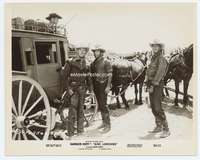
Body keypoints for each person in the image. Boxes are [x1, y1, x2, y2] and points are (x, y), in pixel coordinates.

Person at [61, 45, 93, 138]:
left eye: (84, 50)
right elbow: (64, 77)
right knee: (73, 111)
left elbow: (89, 77)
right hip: (73, 90)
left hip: (83, 89)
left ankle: (80, 131)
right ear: (77, 51)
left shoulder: (87, 63)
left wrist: (91, 89)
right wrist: (68, 89)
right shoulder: (70, 62)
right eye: (81, 50)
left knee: (81, 111)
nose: (83, 52)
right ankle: (70, 133)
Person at [145, 39, 170, 138]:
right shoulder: (152, 58)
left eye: (157, 46)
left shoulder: (161, 58)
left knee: (158, 107)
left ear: (160, 47)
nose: (155, 48)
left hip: (157, 84)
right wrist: (146, 83)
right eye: (153, 46)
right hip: (151, 84)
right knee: (153, 107)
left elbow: (159, 74)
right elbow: (148, 71)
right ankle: (158, 126)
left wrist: (152, 85)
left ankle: (166, 129)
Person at [91, 46, 112, 133]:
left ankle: (107, 125)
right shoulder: (94, 63)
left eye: (97, 51)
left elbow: (110, 74)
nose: (96, 53)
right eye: (95, 51)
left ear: (101, 52)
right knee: (100, 105)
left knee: (104, 105)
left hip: (103, 85)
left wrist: (108, 86)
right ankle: (103, 122)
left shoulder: (106, 62)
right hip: (96, 86)